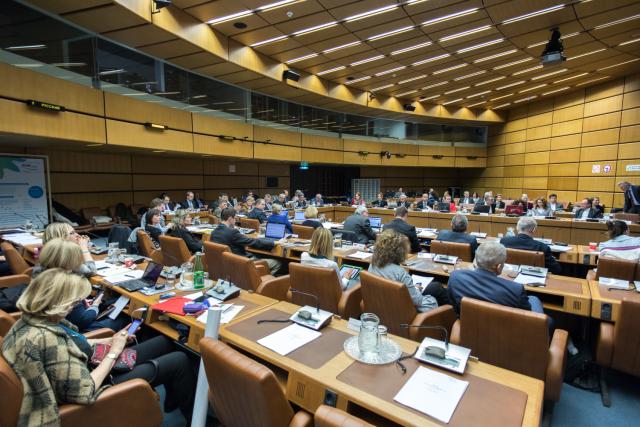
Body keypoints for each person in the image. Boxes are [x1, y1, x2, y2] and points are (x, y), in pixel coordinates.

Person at [3, 268, 196, 425]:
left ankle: (176, 396)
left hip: (90, 364)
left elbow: (73, 342)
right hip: (97, 384)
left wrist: (111, 341)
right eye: (73, 302)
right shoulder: (47, 340)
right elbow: (85, 391)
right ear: (56, 304)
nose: (75, 306)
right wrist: (113, 352)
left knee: (165, 341)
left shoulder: (31, 322)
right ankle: (194, 419)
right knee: (179, 360)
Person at [32, 238, 128, 332]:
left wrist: (82, 303)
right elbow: (82, 320)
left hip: (52, 324)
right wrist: (95, 306)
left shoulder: (41, 275)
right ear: (69, 260)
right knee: (124, 318)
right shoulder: (66, 284)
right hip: (75, 330)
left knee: (110, 303)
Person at [447, 242, 544, 316]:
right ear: (498, 267)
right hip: (506, 333)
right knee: (534, 299)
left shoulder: (455, 276)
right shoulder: (516, 290)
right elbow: (529, 319)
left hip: (469, 326)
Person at [368, 230, 446, 311]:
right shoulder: (401, 274)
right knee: (433, 297)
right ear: (400, 252)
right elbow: (418, 301)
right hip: (401, 310)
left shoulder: (373, 264)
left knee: (434, 287)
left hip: (382, 304)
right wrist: (416, 289)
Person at [210, 208, 281, 274]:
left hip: (225, 264)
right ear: (230, 218)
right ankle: (258, 281)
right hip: (241, 263)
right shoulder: (232, 232)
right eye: (235, 218)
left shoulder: (214, 232)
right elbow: (253, 242)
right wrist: (274, 242)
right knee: (277, 263)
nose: (235, 221)